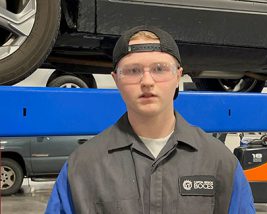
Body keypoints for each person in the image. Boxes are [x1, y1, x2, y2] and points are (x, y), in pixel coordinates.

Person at [46, 25, 255, 214]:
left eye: (159, 69)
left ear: (178, 77)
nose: (147, 81)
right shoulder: (82, 167)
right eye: (133, 71)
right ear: (116, 80)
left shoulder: (220, 163)